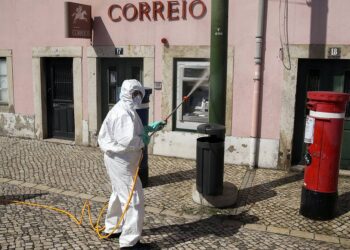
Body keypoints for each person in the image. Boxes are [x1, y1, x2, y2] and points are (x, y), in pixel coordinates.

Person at [98, 79, 165, 249]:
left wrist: (148, 128)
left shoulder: (127, 109)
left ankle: (113, 228)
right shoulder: (122, 112)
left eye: (138, 94)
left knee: (118, 194)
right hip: (121, 161)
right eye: (134, 94)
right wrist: (143, 140)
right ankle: (129, 243)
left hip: (120, 160)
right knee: (133, 199)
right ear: (127, 93)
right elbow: (128, 140)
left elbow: (132, 131)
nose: (137, 97)